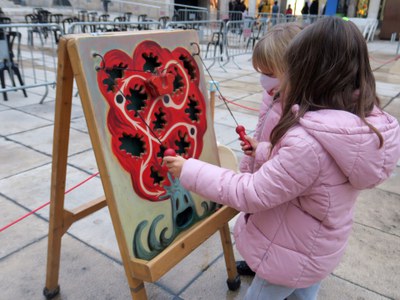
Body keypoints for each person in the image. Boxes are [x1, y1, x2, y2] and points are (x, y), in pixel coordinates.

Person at [164, 17, 400, 299]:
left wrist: (189, 169)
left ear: (309, 73)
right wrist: (264, 151)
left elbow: (251, 192)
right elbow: (310, 172)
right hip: (318, 246)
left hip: (290, 253)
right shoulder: (351, 124)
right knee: (304, 294)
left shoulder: (308, 141)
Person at [236, 22, 303, 277]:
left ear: (294, 69)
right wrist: (256, 149)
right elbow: (264, 131)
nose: (264, 78)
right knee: (256, 223)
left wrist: (264, 151)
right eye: (261, 71)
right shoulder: (272, 94)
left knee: (273, 231)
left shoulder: (302, 111)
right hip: (259, 166)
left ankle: (269, 271)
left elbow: (293, 157)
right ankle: (255, 263)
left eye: (269, 72)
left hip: (277, 183)